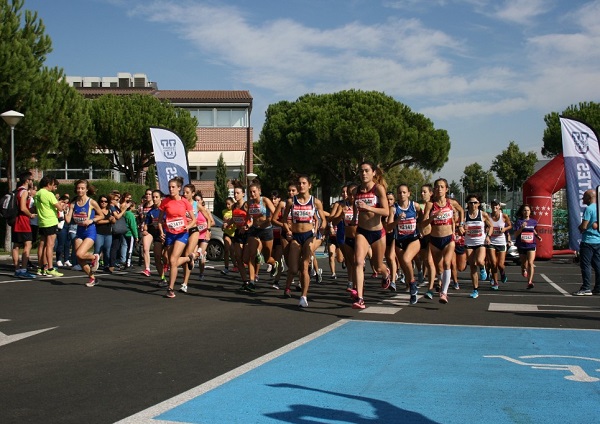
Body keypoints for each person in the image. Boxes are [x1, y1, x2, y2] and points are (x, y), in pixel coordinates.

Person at [279, 175, 326, 307]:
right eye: (299, 183)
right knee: (293, 268)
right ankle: (287, 287)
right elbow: (283, 220)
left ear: (309, 185)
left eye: (304, 183)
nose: (301, 186)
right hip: (295, 236)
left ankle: (303, 296)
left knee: (305, 266)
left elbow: (322, 218)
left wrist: (322, 226)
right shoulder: (291, 201)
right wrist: (288, 230)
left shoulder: (315, 202)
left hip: (309, 236)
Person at [350, 161, 390, 309]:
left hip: (378, 232)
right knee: (358, 262)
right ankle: (360, 298)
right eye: (361, 171)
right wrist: (355, 217)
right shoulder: (355, 191)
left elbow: (386, 211)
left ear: (373, 172)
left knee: (377, 266)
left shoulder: (378, 189)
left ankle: (386, 274)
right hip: (362, 231)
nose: (364, 174)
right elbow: (356, 206)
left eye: (367, 171)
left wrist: (368, 207)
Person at [421, 178, 463, 304]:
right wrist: (432, 217)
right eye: (437, 187)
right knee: (439, 269)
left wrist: (461, 224)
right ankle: (442, 284)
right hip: (434, 239)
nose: (439, 189)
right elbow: (423, 223)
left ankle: (444, 293)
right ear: (434, 189)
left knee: (446, 264)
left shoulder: (451, 203)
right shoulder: (430, 205)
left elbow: (461, 210)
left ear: (446, 189)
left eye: (442, 186)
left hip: (448, 238)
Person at [158, 176, 197, 298]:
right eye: (169, 187)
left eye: (173, 187)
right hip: (170, 234)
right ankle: (188, 259)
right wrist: (161, 231)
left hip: (182, 234)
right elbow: (160, 220)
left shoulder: (184, 202)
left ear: (179, 188)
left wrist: (187, 227)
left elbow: (193, 220)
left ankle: (170, 288)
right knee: (170, 262)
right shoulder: (165, 202)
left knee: (174, 260)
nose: (171, 189)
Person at [65, 180, 104, 287]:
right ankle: (92, 278)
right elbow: (68, 220)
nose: (80, 190)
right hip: (79, 231)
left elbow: (101, 215)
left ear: (87, 189)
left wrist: (91, 220)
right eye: (78, 188)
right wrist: (65, 211)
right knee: (79, 258)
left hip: (90, 231)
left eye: (82, 188)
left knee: (79, 254)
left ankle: (94, 257)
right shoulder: (73, 203)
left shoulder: (91, 202)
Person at [390, 184, 422, 304]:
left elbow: (423, 216)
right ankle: (412, 289)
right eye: (399, 192)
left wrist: (421, 228)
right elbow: (388, 227)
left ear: (409, 193)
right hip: (400, 241)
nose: (401, 195)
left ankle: (413, 284)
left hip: (413, 239)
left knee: (406, 259)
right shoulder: (394, 209)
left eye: (404, 192)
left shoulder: (415, 206)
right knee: (405, 267)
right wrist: (397, 220)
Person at [462, 194, 493, 299]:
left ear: (479, 204)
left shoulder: (483, 214)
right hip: (469, 243)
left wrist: (488, 236)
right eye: (471, 203)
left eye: (475, 202)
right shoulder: (464, 215)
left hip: (480, 242)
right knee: (472, 267)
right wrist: (462, 229)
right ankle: (475, 289)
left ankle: (483, 268)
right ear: (468, 204)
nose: (473, 204)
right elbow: (460, 227)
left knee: (479, 261)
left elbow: (491, 226)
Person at [34, 176, 65, 277]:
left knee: (42, 245)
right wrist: (62, 205)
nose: (53, 186)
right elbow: (60, 208)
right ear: (48, 184)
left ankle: (41, 267)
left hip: (42, 221)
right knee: (50, 245)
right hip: (50, 221)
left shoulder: (37, 193)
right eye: (52, 184)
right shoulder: (49, 194)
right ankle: (50, 268)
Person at [573, 189, 600, 295]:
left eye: (584, 197)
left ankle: (586, 288)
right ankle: (598, 287)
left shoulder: (589, 209)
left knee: (586, 265)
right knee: (597, 265)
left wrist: (580, 227)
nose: (582, 199)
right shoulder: (598, 208)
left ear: (589, 198)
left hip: (588, 241)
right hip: (598, 241)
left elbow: (584, 226)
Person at [11, 171, 37, 279]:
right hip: (23, 221)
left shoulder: (17, 191)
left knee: (16, 245)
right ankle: (23, 269)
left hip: (16, 220)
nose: (32, 181)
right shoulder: (24, 191)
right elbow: (22, 207)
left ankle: (17, 269)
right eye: (31, 180)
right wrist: (30, 214)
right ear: (27, 180)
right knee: (28, 244)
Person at [514, 204, 541, 289]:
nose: (526, 212)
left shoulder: (533, 221)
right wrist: (521, 228)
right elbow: (515, 234)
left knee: (530, 263)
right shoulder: (519, 222)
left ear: (530, 212)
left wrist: (537, 236)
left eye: (528, 210)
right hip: (522, 245)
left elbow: (533, 230)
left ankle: (530, 281)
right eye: (525, 210)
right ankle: (523, 269)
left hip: (531, 245)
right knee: (523, 263)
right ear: (522, 212)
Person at [140, 190, 165, 284]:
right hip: (156, 235)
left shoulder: (165, 209)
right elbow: (146, 223)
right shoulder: (151, 211)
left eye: (156, 197)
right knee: (157, 257)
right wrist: (145, 229)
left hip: (167, 235)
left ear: (161, 198)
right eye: (153, 197)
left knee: (167, 258)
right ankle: (163, 279)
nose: (154, 199)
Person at [487, 199, 512, 287]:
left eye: (496, 205)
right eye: (493, 205)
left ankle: (502, 273)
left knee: (500, 265)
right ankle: (495, 282)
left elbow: (510, 225)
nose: (495, 207)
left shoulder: (504, 216)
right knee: (493, 263)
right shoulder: (488, 216)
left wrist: (505, 229)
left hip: (501, 242)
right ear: (491, 206)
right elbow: (484, 226)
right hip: (491, 242)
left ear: (499, 206)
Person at [94, 195, 116, 274]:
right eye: (102, 201)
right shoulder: (97, 210)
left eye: (105, 201)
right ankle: (94, 265)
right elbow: (97, 221)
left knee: (107, 251)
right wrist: (108, 220)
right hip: (99, 233)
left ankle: (106, 265)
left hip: (108, 233)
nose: (103, 203)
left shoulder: (109, 210)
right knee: (97, 250)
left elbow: (114, 221)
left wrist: (112, 219)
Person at [221, 197, 236, 275]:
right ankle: (226, 268)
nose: (227, 206)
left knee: (233, 251)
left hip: (235, 233)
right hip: (227, 233)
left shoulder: (235, 211)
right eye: (226, 204)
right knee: (227, 250)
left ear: (233, 203)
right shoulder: (224, 211)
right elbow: (223, 223)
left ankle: (235, 265)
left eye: (229, 204)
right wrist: (223, 225)